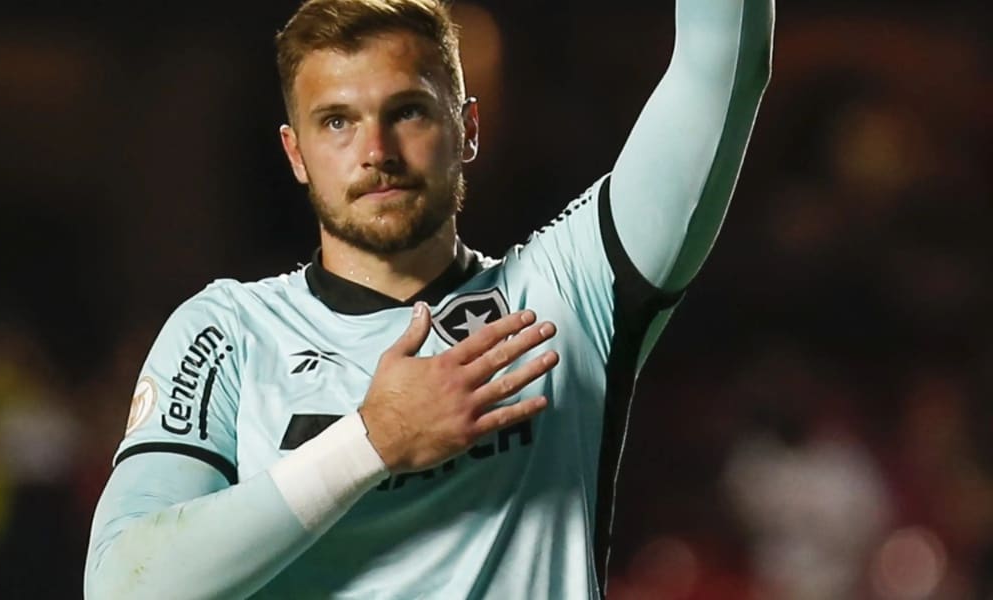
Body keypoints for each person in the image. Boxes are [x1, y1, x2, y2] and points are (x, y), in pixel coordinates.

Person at [84, 0, 773, 597]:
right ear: (295, 154)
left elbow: (723, 66)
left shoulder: (567, 289)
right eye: (336, 122)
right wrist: (372, 440)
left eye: (406, 110)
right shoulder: (228, 330)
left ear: (466, 127)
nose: (375, 149)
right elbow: (124, 584)